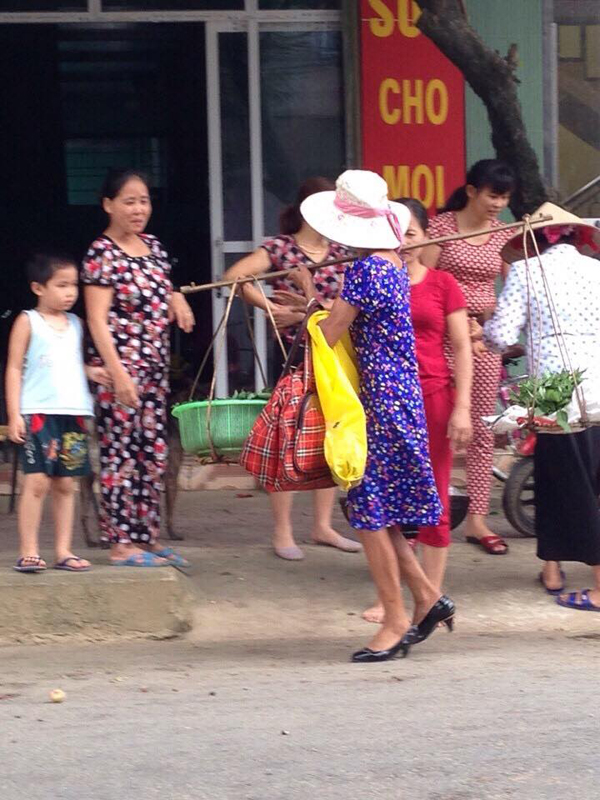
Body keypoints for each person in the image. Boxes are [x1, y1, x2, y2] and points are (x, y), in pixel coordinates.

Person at [295, 169, 455, 662]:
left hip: (382, 404)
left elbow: (329, 334)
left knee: (368, 515)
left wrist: (305, 308)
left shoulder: (367, 272)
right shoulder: (388, 266)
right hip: (396, 398)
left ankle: (395, 618)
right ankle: (427, 598)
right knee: (379, 514)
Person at [224, 177, 361, 561]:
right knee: (289, 434)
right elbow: (234, 276)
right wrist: (271, 309)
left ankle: (322, 526)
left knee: (329, 432)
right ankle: (282, 531)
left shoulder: (343, 251)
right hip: (292, 354)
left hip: (332, 354)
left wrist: (305, 308)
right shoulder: (282, 248)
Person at [482, 203, 600, 611]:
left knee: (567, 482)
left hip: (555, 395)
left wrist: (483, 334)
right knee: (579, 478)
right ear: (576, 236)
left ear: (536, 240)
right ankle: (550, 569)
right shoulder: (597, 270)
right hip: (599, 388)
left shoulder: (525, 272)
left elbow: (501, 333)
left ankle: (599, 586)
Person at [362, 198, 473, 623]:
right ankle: (395, 596)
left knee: (435, 501)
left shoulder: (443, 284)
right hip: (385, 406)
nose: (402, 243)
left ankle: (430, 595)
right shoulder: (373, 281)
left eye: (410, 234)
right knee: (385, 504)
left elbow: (462, 348)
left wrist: (462, 407)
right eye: (395, 233)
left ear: (427, 237)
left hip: (434, 399)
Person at [82, 168, 194, 567]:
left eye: (143, 200)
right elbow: (97, 320)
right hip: (120, 371)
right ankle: (120, 543)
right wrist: (118, 373)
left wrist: (177, 297)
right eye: (128, 201)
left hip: (154, 369)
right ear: (108, 205)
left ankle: (146, 537)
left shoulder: (154, 247)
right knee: (121, 456)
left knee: (152, 453)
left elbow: (163, 288)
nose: (138, 209)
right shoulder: (101, 253)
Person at [423, 159, 517, 555]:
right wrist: (449, 324)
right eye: (493, 195)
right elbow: (422, 280)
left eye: (505, 198)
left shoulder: (504, 237)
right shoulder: (440, 228)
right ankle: (427, 513)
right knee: (434, 426)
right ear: (471, 191)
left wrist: (486, 324)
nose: (499, 204)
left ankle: (477, 519)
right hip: (436, 340)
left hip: (480, 343)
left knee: (481, 429)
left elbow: (512, 293)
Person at [5, 252, 110, 573]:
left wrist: (91, 373)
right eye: (61, 285)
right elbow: (13, 368)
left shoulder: (77, 324)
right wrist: (13, 414)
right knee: (36, 482)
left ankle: (64, 550)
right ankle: (29, 550)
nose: (70, 292)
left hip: (74, 414)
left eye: (73, 285)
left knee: (67, 484)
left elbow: (68, 363)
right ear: (38, 288)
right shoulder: (27, 321)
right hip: (38, 413)